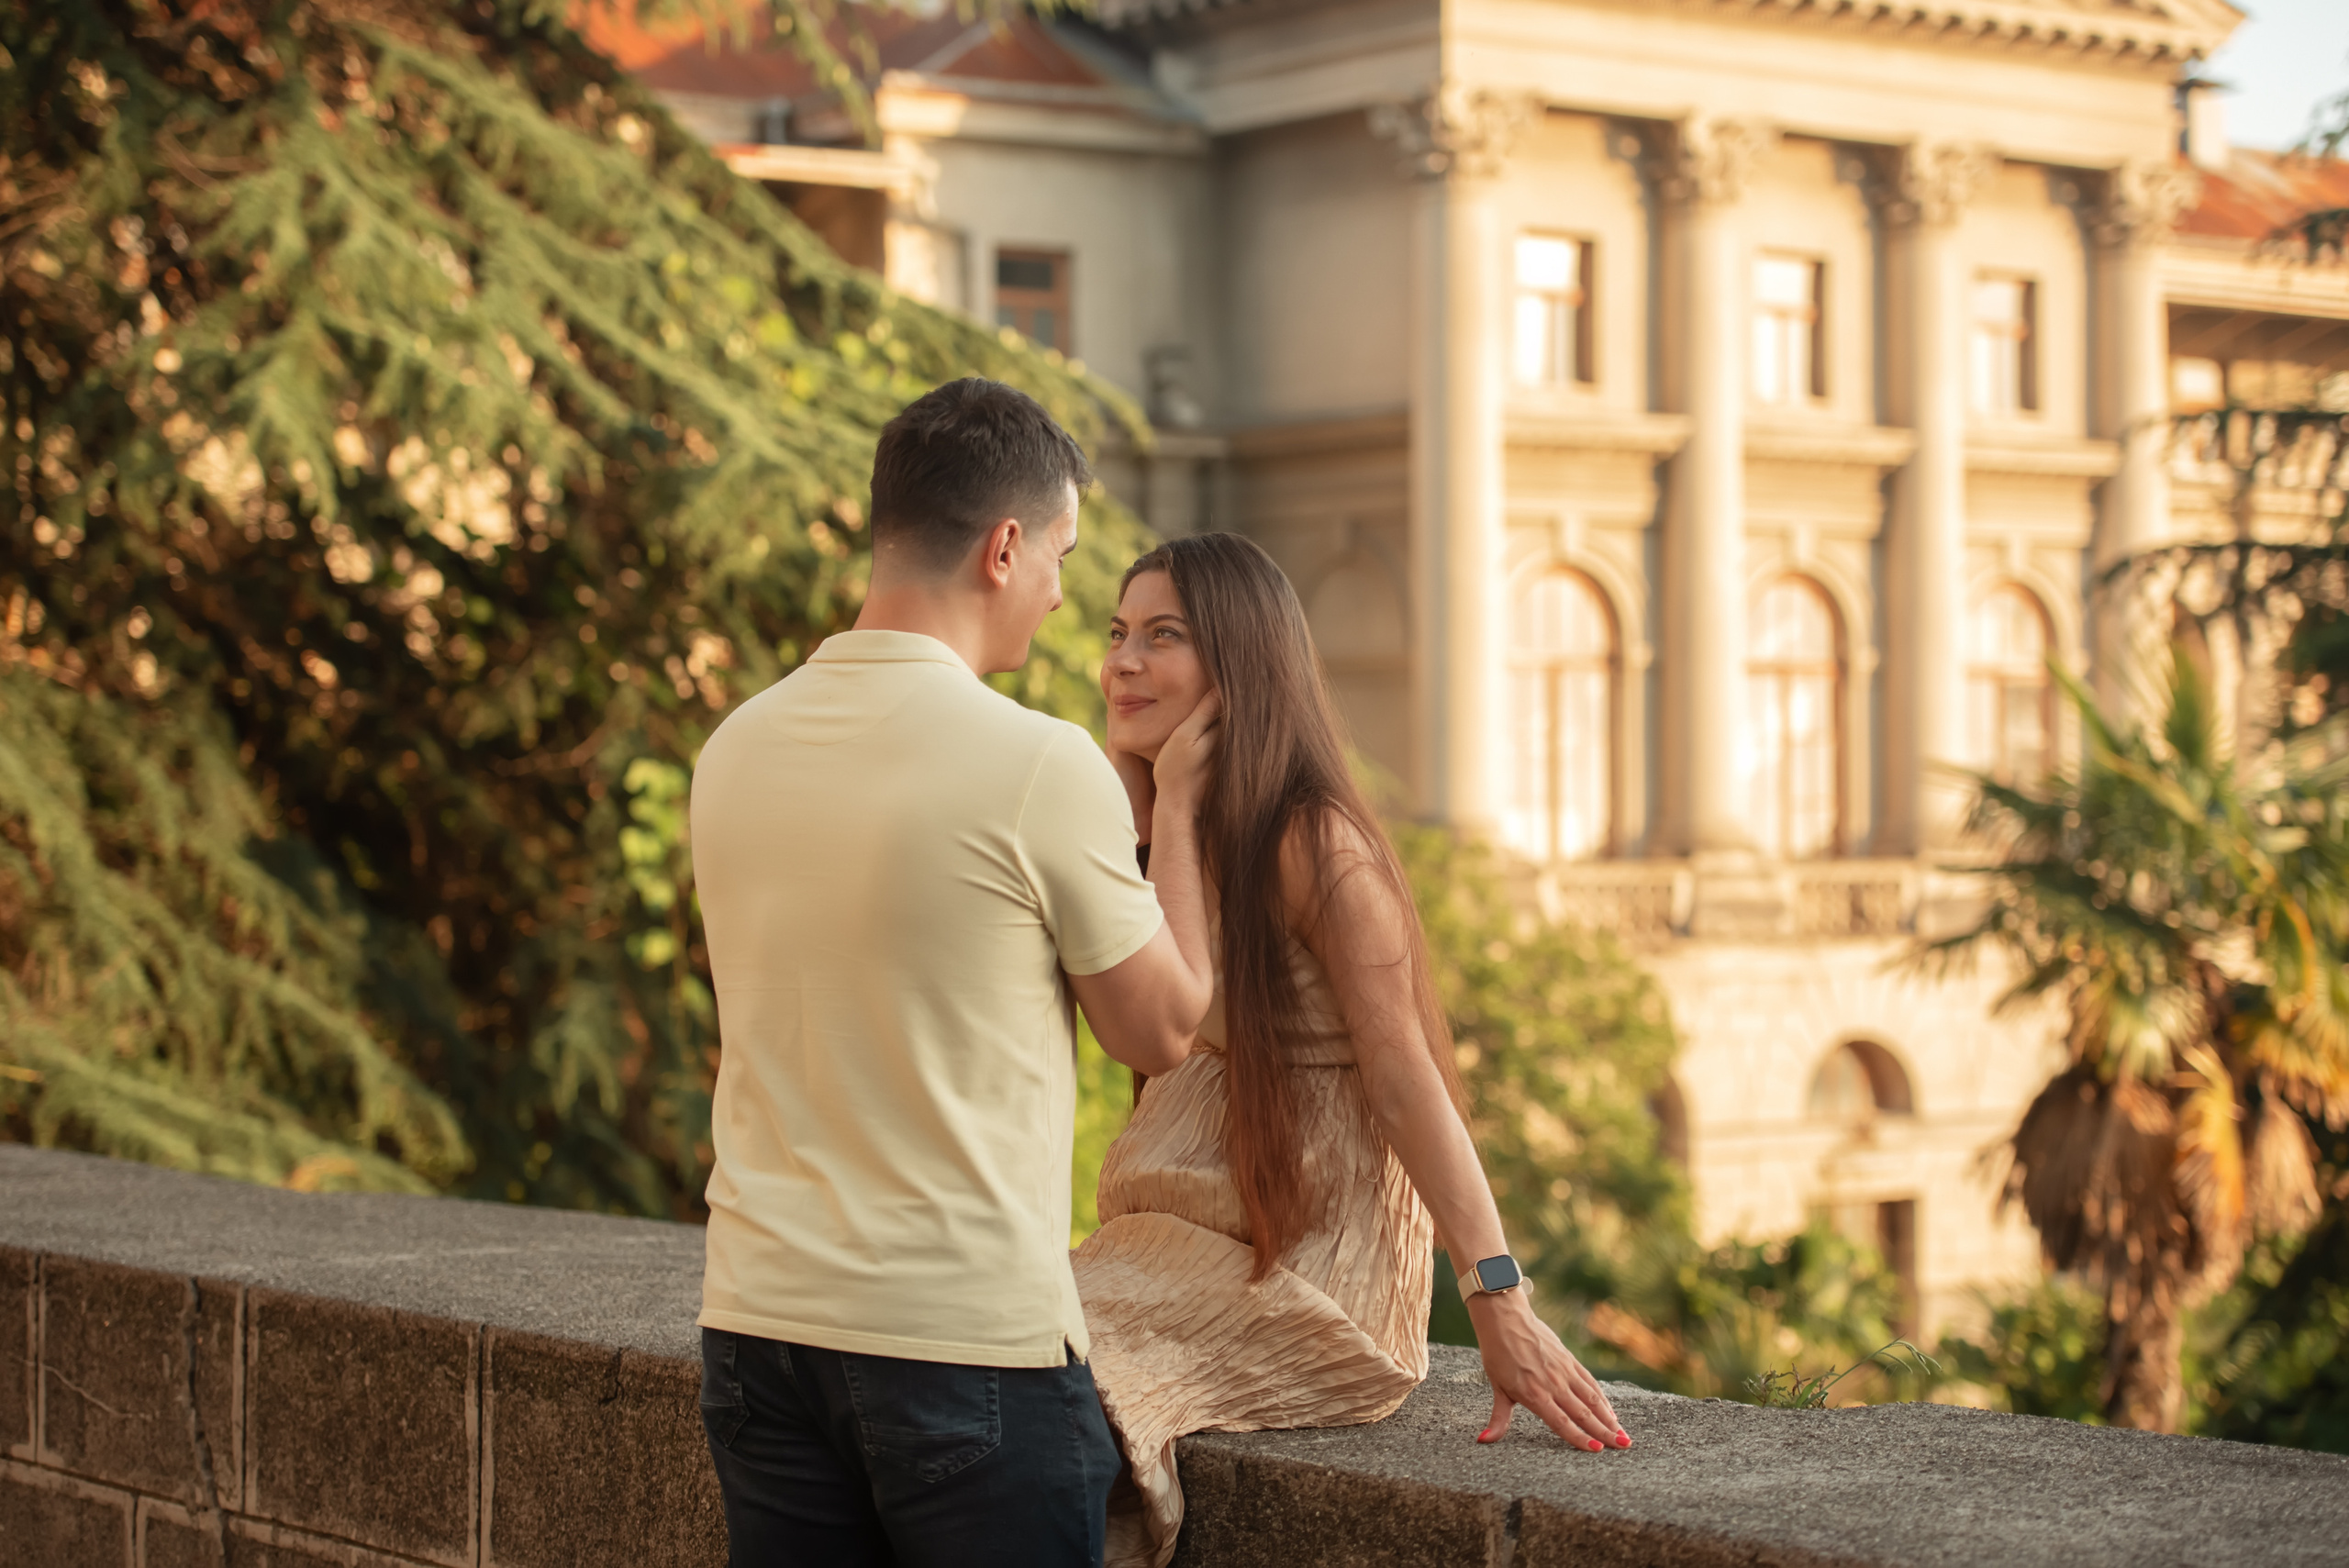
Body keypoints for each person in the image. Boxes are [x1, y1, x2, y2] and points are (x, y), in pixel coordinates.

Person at [688, 379, 1222, 1568]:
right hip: (959, 1347)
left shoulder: (735, 746)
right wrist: (1178, 806)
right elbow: (1161, 1027)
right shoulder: (1040, 763)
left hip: (757, 1328)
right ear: (1005, 545)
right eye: (1063, 559)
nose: (1060, 596)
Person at [1072, 533, 1630, 1568]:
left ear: (1240, 666)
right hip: (1172, 1241)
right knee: (964, 1349)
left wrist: (1497, 1295)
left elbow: (1404, 1073)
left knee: (1047, 1383)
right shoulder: (1149, 828)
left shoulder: (1312, 838)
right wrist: (1164, 815)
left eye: (1162, 636)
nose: (1123, 662)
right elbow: (1150, 1022)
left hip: (1312, 1270)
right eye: (1116, 634)